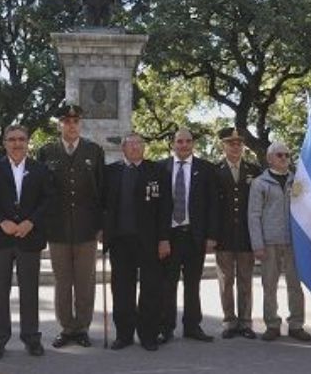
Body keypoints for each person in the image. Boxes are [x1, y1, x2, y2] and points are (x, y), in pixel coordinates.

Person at [0, 124, 54, 359]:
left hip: (29, 238)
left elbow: (48, 199)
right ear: (4, 143)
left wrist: (31, 222)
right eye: (12, 139)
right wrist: (2, 221)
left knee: (30, 291)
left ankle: (31, 338)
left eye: (21, 139)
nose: (17, 143)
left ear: (28, 142)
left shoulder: (40, 169)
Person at [38, 104, 105, 349]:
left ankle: (83, 327)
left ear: (81, 124)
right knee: (63, 282)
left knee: (85, 282)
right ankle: (67, 328)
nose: (71, 125)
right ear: (60, 125)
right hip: (58, 229)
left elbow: (102, 191)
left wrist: (101, 226)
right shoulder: (47, 152)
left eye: (75, 121)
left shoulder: (94, 151)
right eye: (66, 121)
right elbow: (42, 192)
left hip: (87, 230)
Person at [102, 133, 170, 351]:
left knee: (151, 289)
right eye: (130, 144)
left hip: (149, 242)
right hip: (120, 241)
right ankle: (124, 335)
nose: (135, 147)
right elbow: (103, 205)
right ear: (123, 148)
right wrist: (102, 230)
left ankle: (148, 334)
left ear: (144, 147)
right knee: (122, 290)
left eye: (139, 143)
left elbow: (165, 208)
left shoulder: (157, 171)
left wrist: (164, 239)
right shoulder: (111, 172)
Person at [157, 128, 219, 343]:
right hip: (169, 236)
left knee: (193, 284)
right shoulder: (160, 168)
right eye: (180, 141)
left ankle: (192, 326)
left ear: (193, 144)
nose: (184, 145)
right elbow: (156, 208)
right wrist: (161, 238)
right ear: (173, 143)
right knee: (168, 284)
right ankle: (166, 327)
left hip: (195, 236)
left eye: (188, 141)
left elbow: (213, 206)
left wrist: (211, 236)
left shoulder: (206, 169)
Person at [248, 141, 311, 343]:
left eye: (287, 155)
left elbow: (306, 211)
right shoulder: (259, 183)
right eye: (279, 155)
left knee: (295, 286)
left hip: (294, 242)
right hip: (269, 242)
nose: (284, 158)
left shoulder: (298, 182)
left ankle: (296, 325)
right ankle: (272, 324)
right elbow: (253, 215)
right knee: (269, 285)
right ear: (269, 158)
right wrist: (257, 244)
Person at [213, 128, 261, 339]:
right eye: (230, 143)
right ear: (223, 146)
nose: (235, 146)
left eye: (238, 143)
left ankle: (245, 322)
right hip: (223, 235)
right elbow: (210, 206)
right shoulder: (215, 170)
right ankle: (229, 321)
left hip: (246, 234)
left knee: (245, 280)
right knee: (226, 281)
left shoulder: (254, 170)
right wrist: (211, 235)